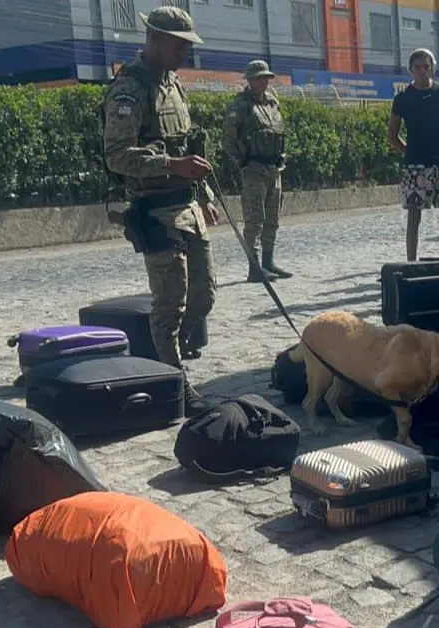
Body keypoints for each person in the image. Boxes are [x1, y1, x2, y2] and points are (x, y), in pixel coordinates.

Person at [101, 6, 218, 415]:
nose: (185, 52)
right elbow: (117, 156)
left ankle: (165, 357)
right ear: (153, 39)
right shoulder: (128, 90)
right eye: (179, 45)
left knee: (204, 296)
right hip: (154, 209)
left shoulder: (173, 84)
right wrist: (170, 166)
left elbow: (187, 146)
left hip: (187, 205)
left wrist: (201, 192)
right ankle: (174, 381)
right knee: (170, 305)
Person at [388, 49, 439, 261]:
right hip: (414, 166)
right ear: (410, 70)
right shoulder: (402, 98)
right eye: (418, 67)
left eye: (426, 67)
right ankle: (411, 260)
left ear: (433, 68)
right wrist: (408, 151)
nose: (422, 71)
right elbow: (392, 135)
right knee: (414, 215)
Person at [221, 60, 291, 283]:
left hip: (274, 168)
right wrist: (243, 162)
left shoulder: (273, 103)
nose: (263, 82)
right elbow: (228, 141)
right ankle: (254, 267)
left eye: (266, 78)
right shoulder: (240, 107)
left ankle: (268, 262)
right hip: (254, 170)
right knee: (254, 220)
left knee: (272, 218)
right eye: (258, 78)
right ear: (249, 80)